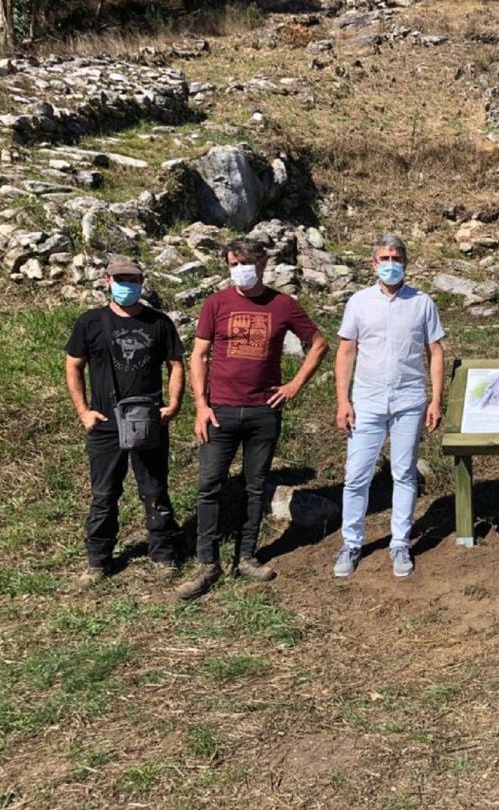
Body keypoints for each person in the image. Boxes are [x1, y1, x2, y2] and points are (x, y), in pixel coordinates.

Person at [178, 238, 329, 600]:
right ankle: (207, 563)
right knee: (210, 485)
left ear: (262, 264)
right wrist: (201, 404)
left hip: (264, 411)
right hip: (221, 411)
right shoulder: (216, 303)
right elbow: (198, 355)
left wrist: (293, 386)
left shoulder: (283, 305)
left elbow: (319, 344)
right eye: (233, 263)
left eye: (246, 262)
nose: (240, 269)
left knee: (255, 486)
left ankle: (246, 556)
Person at [64, 257, 185, 585]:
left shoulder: (158, 322)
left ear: (142, 282)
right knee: (104, 493)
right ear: (107, 281)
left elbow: (176, 364)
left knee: (155, 489)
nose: (126, 285)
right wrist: (83, 411)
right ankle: (98, 560)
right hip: (104, 422)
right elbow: (73, 365)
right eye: (120, 279)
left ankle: (163, 554)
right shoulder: (90, 322)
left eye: (132, 278)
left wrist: (172, 405)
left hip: (149, 420)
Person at [332, 234, 445, 578]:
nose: (390, 263)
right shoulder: (359, 302)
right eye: (384, 258)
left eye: (396, 257)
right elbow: (346, 351)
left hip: (409, 401)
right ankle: (351, 543)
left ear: (406, 263)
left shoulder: (422, 303)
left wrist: (436, 400)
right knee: (356, 476)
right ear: (373, 264)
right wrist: (342, 400)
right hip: (366, 401)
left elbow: (435, 352)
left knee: (405, 474)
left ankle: (400, 543)